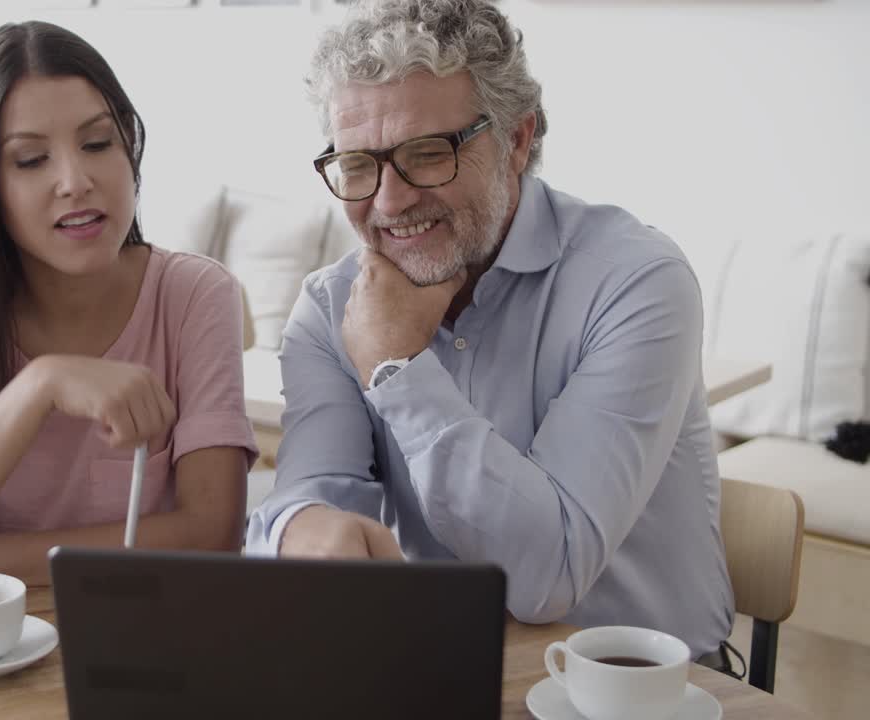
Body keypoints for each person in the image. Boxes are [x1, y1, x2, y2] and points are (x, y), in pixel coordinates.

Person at [245, 0, 735, 663]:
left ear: (518, 140)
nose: (389, 201)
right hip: (433, 675)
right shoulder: (331, 307)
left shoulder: (637, 281)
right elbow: (303, 503)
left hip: (641, 694)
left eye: (427, 153)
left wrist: (396, 365)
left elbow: (548, 576)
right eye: (358, 164)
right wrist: (301, 530)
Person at [0, 22, 257, 598]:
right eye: (31, 159)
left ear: (129, 148)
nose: (76, 181)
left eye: (97, 144)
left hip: (150, 648)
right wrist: (40, 385)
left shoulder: (194, 295)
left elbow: (212, 535)